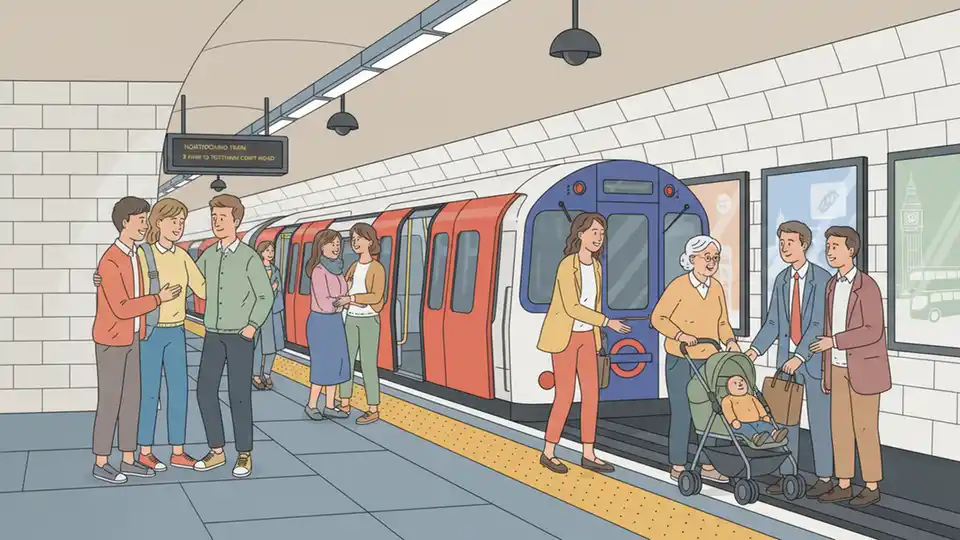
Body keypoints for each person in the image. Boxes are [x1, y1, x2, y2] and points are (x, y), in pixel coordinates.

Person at [91, 196, 181, 484]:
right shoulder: (111, 260)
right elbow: (122, 306)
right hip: (112, 340)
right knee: (110, 400)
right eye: (141, 220)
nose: (145, 225)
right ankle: (101, 461)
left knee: (132, 400)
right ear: (125, 222)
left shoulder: (136, 256)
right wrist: (158, 299)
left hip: (133, 337)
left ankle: (128, 458)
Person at [536, 213, 630, 475]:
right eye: (594, 232)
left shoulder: (597, 266)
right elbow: (573, 307)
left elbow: (595, 302)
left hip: (587, 337)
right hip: (565, 338)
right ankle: (549, 451)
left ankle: (588, 453)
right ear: (580, 235)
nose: (599, 238)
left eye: (601, 233)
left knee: (592, 395)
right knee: (565, 395)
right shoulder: (568, 266)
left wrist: (598, 335)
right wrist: (606, 322)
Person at [747, 220, 834, 497]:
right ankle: (787, 474)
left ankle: (824, 477)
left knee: (820, 420)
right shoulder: (782, 280)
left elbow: (818, 323)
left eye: (790, 242)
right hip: (786, 362)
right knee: (784, 421)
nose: (784, 247)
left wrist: (800, 356)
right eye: (781, 242)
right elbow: (773, 322)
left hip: (814, 362)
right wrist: (755, 350)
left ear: (804, 245)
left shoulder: (822, 279)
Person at [193, 194, 273, 478]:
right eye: (213, 218)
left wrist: (252, 325)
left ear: (237, 221)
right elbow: (193, 283)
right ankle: (217, 450)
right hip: (213, 334)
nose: (216, 223)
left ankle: (244, 453)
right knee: (205, 391)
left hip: (240, 336)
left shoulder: (249, 257)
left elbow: (266, 295)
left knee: (239, 394)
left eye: (222, 218)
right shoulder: (208, 256)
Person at [810, 226, 890, 508]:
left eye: (834, 246)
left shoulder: (867, 286)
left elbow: (873, 330)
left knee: (865, 428)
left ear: (851, 250)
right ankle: (843, 483)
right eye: (828, 246)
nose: (829, 251)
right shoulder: (832, 285)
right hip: (837, 367)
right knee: (840, 428)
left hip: (864, 369)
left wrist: (835, 341)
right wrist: (827, 366)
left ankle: (871, 486)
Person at [651, 235, 737, 484]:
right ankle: (678, 463)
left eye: (715, 258)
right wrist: (680, 335)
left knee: (710, 412)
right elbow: (658, 318)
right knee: (682, 412)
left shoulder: (717, 288)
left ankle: (708, 464)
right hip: (681, 359)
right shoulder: (679, 286)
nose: (711, 263)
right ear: (691, 260)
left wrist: (730, 340)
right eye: (706, 257)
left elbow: (722, 322)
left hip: (709, 359)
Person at [337, 223, 387, 425]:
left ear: (370, 241)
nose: (356, 242)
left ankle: (373, 408)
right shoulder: (354, 266)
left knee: (368, 364)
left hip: (368, 320)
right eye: (353, 239)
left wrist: (351, 299)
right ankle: (344, 402)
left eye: (359, 238)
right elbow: (345, 287)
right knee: (346, 362)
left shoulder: (377, 268)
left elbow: (376, 296)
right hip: (351, 318)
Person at [302, 230, 352, 420]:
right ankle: (312, 404)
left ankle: (330, 405)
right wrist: (341, 303)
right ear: (321, 247)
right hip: (321, 322)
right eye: (332, 244)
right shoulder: (319, 271)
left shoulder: (337, 269)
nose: (336, 247)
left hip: (335, 322)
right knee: (322, 364)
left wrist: (340, 302)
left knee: (336, 364)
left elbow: (342, 295)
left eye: (338, 244)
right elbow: (324, 302)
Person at [252, 240, 285, 391]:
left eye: (272, 251)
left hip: (273, 313)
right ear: (261, 253)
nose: (270, 253)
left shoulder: (275, 270)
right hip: (261, 313)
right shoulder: (256, 270)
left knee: (272, 348)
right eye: (267, 251)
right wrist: (270, 289)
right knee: (259, 347)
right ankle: (256, 375)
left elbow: (280, 291)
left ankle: (267, 373)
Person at [721, 375, 787, 446]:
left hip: (757, 422)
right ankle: (755, 437)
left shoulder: (751, 397)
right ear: (729, 388)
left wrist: (764, 415)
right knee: (747, 429)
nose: (740, 384)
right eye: (735, 383)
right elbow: (728, 411)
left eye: (742, 381)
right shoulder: (728, 400)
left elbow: (759, 407)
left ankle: (775, 433)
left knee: (765, 425)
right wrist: (733, 420)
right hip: (741, 424)